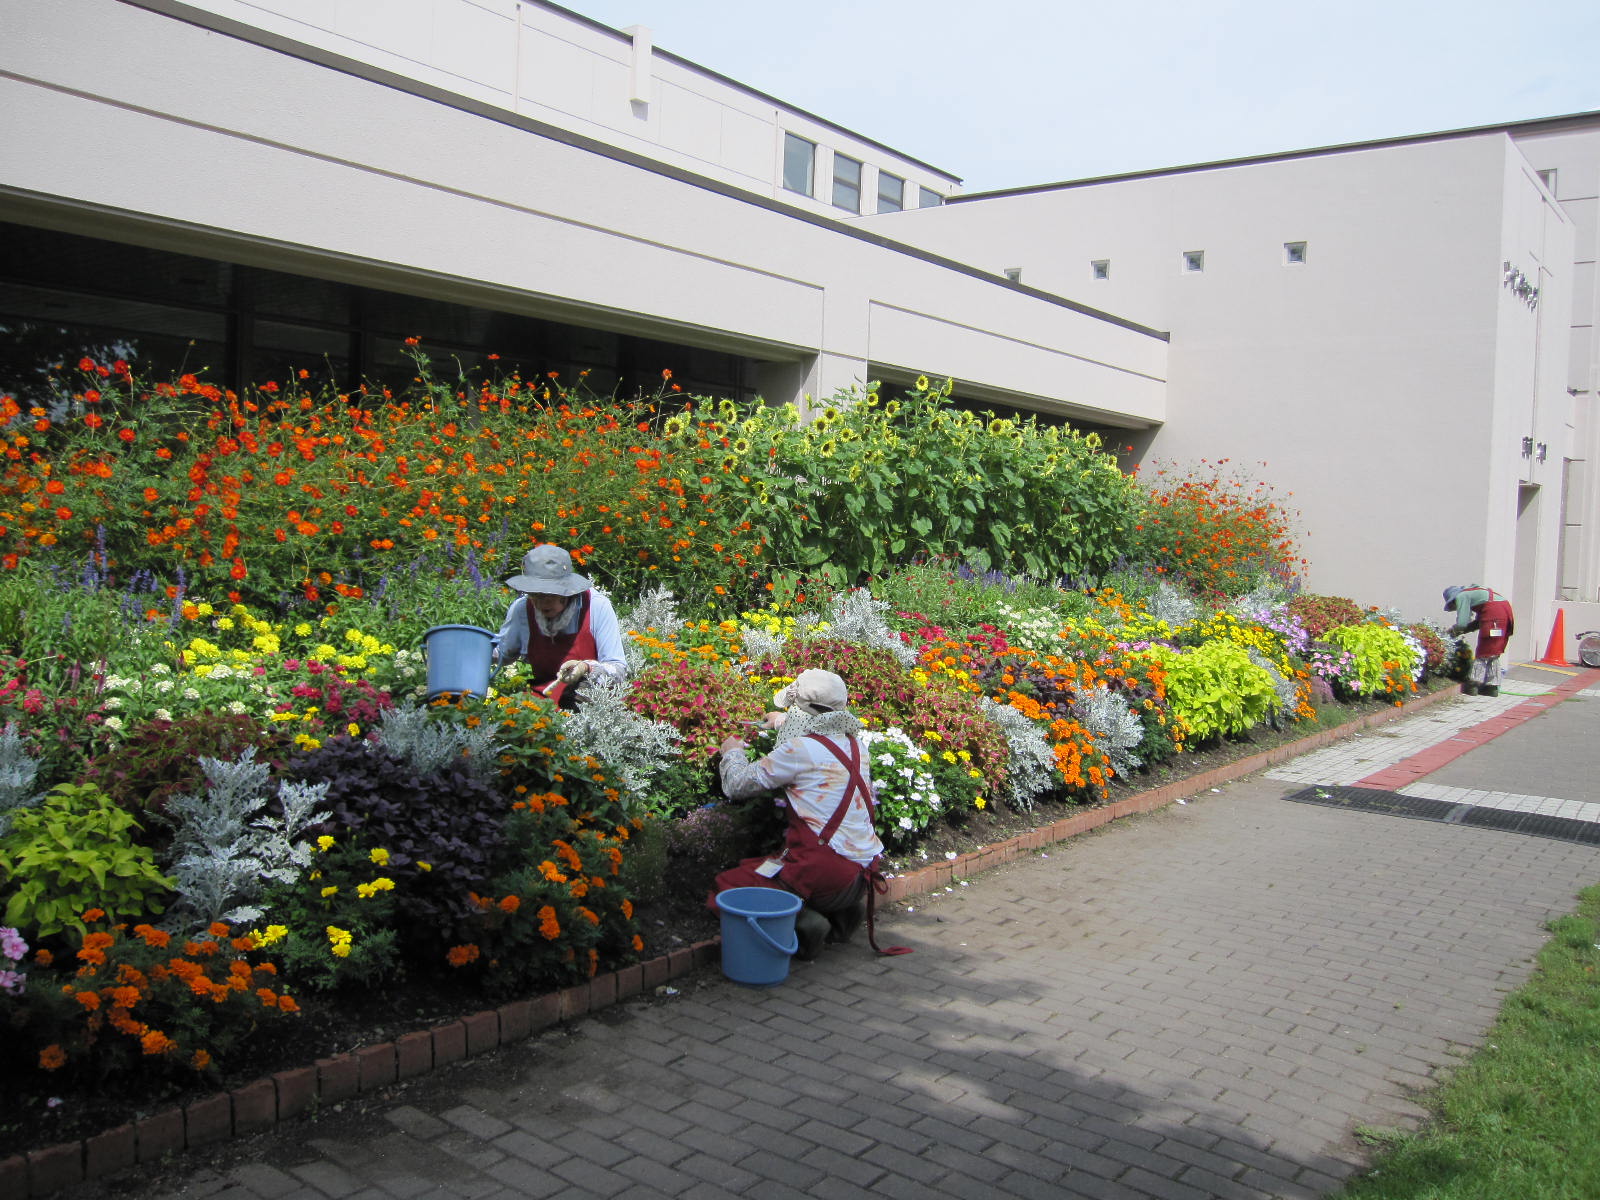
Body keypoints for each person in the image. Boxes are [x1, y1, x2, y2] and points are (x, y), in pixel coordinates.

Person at [709, 669, 909, 960]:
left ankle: (805, 925)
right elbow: (817, 738)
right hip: (862, 872)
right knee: (769, 866)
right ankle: (843, 916)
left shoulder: (798, 750)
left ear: (799, 709)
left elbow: (737, 785)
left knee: (729, 884)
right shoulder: (856, 745)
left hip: (824, 873)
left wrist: (732, 752)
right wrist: (779, 722)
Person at [494, 545, 627, 708]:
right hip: (541, 702)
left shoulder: (596, 606)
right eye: (535, 595)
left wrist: (585, 668)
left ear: (567, 591)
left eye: (549, 595)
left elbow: (619, 670)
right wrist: (473, 649)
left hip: (590, 704)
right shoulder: (522, 609)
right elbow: (503, 653)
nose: (541, 603)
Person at [1443, 584, 1515, 697]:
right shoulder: (1475, 595)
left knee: (1483, 652)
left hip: (1494, 615)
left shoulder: (1462, 596)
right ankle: (1492, 687)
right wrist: (1464, 630)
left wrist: (1452, 632)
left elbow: (1462, 623)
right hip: (1504, 611)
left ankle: (1473, 684)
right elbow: (1478, 623)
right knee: (1493, 652)